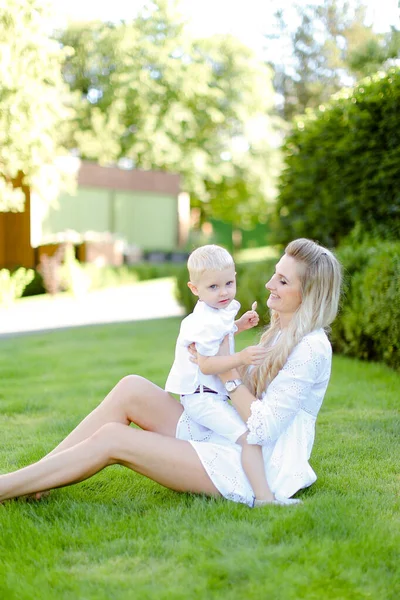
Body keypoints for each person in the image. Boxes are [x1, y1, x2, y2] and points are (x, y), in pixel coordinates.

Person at [0, 238, 342, 508]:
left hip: (256, 466)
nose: (269, 284)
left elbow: (264, 428)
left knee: (114, 439)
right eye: (275, 274)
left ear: (308, 294)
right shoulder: (283, 332)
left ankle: (8, 487)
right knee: (131, 388)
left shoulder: (311, 347)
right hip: (230, 433)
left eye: (282, 280)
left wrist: (228, 374)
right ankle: (35, 480)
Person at [166, 244, 276, 506]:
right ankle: (264, 498)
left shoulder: (215, 312)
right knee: (250, 438)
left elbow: (219, 335)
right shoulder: (204, 321)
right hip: (202, 398)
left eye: (228, 283)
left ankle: (243, 480)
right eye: (213, 287)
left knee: (238, 437)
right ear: (195, 289)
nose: (223, 292)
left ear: (234, 276)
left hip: (209, 396)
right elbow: (205, 365)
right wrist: (241, 358)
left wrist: (237, 326)